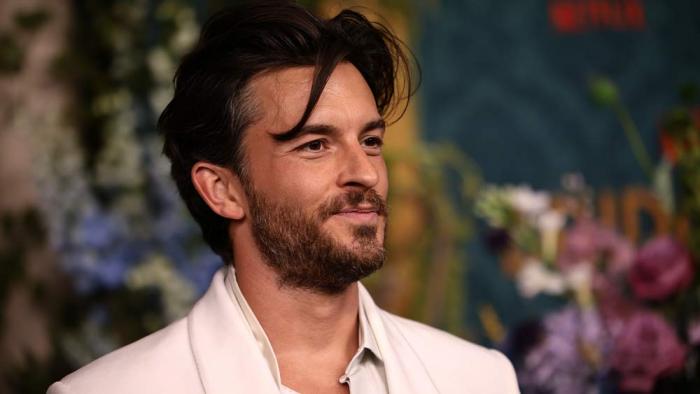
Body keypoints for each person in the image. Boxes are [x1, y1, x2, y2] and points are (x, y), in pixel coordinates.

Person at [48, 1, 519, 393]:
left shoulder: (479, 379)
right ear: (223, 189)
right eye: (315, 145)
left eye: (370, 141)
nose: (365, 172)